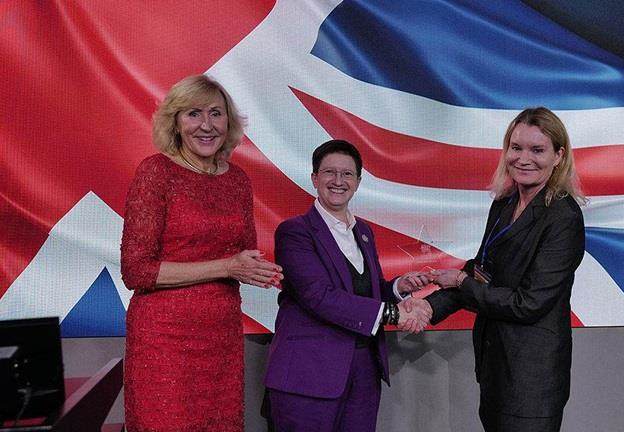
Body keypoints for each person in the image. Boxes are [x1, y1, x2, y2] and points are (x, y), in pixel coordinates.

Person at [120, 74, 283, 431]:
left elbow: (241, 255)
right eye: (193, 114)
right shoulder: (156, 172)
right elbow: (137, 271)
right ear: (176, 123)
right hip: (164, 341)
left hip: (221, 337)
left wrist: (258, 271)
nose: (206, 125)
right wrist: (227, 266)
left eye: (216, 114)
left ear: (229, 122)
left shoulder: (237, 179)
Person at [426, 107, 586, 432]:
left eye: (537, 150)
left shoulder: (563, 217)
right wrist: (428, 306)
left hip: (531, 379)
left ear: (558, 156)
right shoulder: (504, 203)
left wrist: (460, 281)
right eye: (516, 148)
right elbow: (482, 271)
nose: (523, 158)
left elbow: (528, 303)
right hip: (494, 365)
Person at [264, 139, 433, 432]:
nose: (338, 181)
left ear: (358, 181)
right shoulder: (295, 232)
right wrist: (393, 314)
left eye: (347, 174)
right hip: (309, 375)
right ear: (315, 178)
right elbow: (318, 296)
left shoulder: (363, 232)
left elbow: (364, 290)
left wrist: (397, 288)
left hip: (363, 371)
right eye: (330, 172)